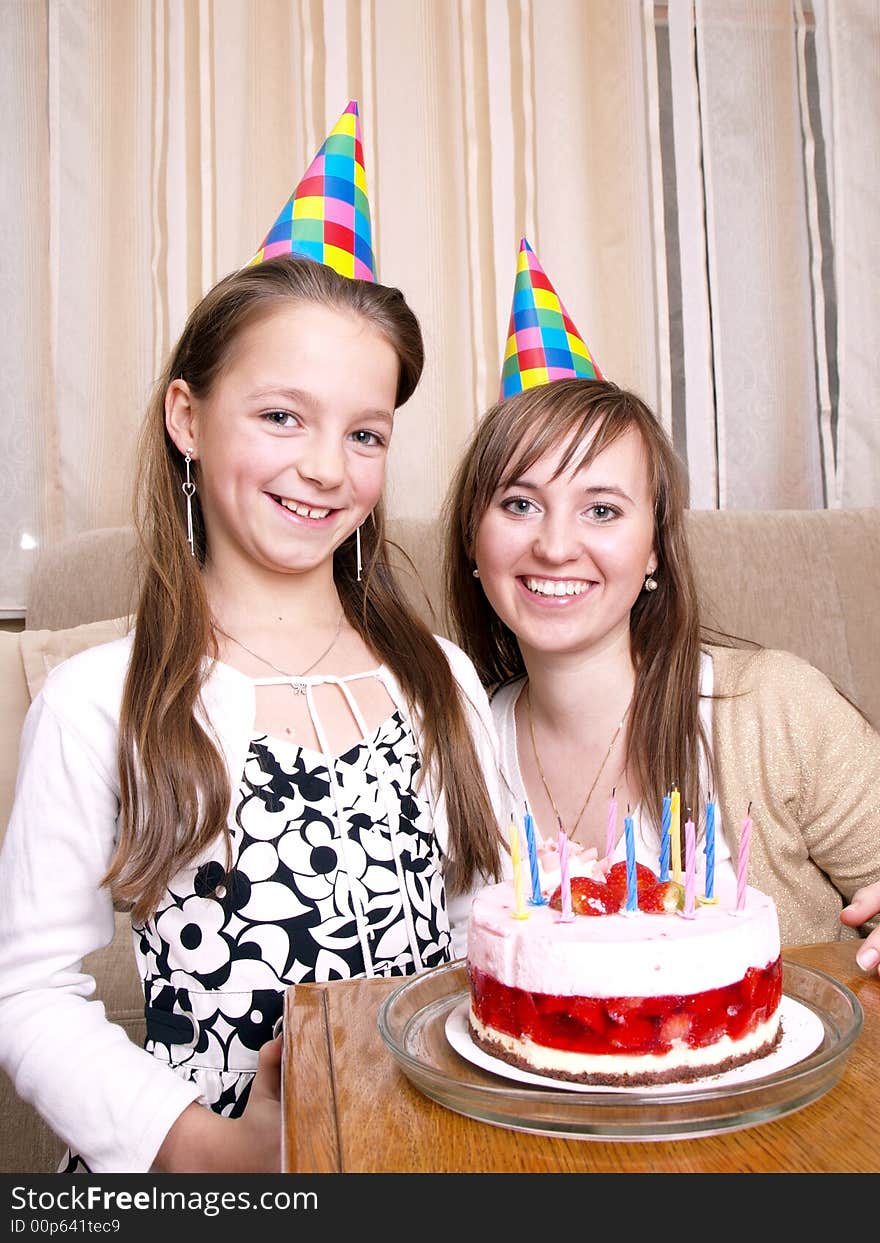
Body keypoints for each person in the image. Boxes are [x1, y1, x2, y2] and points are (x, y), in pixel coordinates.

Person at [0, 111, 503, 1175]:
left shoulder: (438, 681)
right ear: (188, 417)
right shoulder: (105, 699)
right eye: (283, 416)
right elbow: (28, 990)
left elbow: (486, 920)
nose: (327, 467)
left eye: (364, 432)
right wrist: (211, 1150)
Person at [442, 241, 880, 974]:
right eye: (519, 503)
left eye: (602, 510)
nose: (555, 545)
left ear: (653, 549)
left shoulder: (774, 710)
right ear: (471, 538)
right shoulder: (448, 746)